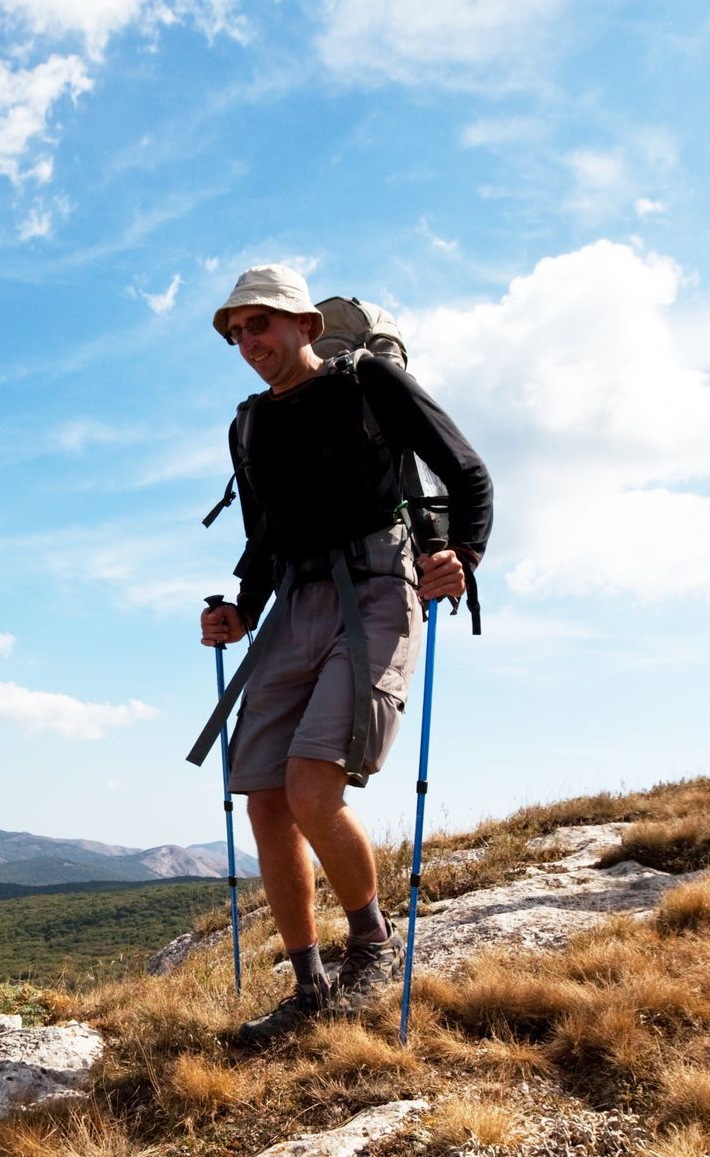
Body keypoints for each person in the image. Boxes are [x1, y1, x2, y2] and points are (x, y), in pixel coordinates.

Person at [195, 265, 492, 1045]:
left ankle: (372, 947)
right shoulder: (249, 425)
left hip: (374, 589)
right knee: (264, 798)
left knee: (309, 786)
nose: (248, 342)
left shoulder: (370, 382)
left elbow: (466, 471)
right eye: (237, 332)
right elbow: (263, 537)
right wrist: (238, 610)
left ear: (304, 325)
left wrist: (461, 552)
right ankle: (308, 986)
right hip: (293, 601)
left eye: (260, 324)